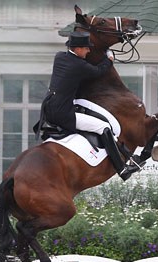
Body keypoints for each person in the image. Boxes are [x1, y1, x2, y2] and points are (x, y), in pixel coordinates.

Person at [37, 31, 144, 181]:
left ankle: (128, 156)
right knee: (103, 127)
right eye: (86, 48)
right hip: (64, 114)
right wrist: (110, 59)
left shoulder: (60, 57)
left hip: (49, 111)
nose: (88, 51)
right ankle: (122, 169)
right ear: (78, 49)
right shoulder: (79, 65)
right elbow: (98, 71)